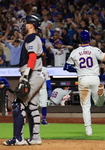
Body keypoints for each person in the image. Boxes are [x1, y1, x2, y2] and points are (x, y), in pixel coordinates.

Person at [3, 14, 44, 146]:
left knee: (18, 104)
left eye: (26, 23)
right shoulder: (36, 38)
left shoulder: (31, 37)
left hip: (31, 74)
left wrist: (26, 76)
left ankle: (18, 139)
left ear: (31, 25)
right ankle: (35, 138)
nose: (24, 25)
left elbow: (32, 58)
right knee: (32, 107)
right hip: (37, 74)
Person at [63, 30, 105, 136]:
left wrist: (77, 70)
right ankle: (102, 93)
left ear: (79, 40)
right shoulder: (94, 49)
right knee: (99, 103)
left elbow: (66, 67)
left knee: (86, 106)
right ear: (89, 39)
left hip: (83, 79)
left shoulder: (75, 52)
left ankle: (88, 130)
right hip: (95, 78)